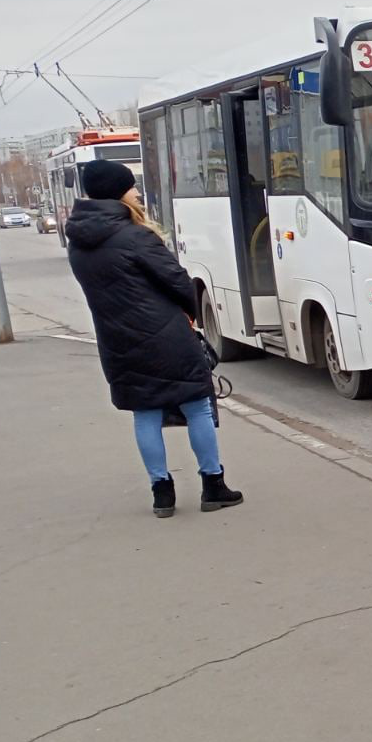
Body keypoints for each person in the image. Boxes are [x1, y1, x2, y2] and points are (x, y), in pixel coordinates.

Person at [65, 159, 243, 519]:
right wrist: (189, 313)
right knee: (197, 407)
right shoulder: (135, 236)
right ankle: (213, 484)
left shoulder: (77, 243)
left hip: (117, 343)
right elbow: (177, 281)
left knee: (145, 414)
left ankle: (162, 494)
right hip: (166, 338)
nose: (136, 192)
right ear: (119, 192)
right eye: (131, 187)